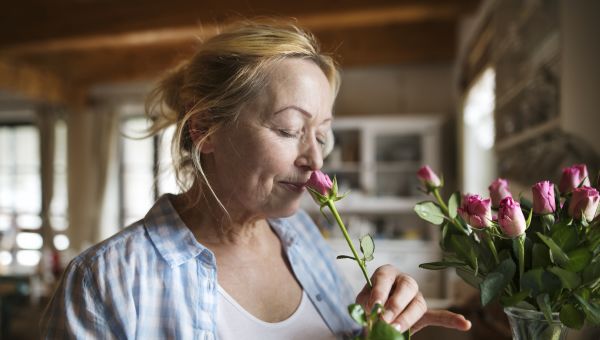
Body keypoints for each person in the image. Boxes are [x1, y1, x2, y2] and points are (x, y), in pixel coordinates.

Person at [40, 20, 471, 339]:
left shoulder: (302, 235)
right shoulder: (106, 282)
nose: (316, 158)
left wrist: (381, 327)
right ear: (205, 129)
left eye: (321, 133)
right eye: (288, 129)